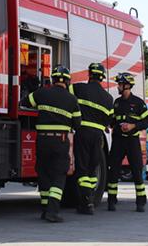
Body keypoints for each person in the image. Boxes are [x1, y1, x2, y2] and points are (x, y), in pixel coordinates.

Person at [21, 65, 80, 223]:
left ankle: (45, 210)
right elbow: (77, 124)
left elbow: (25, 102)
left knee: (44, 174)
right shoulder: (72, 99)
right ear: (67, 81)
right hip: (60, 140)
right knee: (59, 175)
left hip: (42, 140)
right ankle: (52, 212)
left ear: (53, 79)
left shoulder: (42, 93)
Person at [70, 63, 113, 215]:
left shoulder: (78, 88)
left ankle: (85, 202)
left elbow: (63, 94)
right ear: (102, 77)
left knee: (81, 167)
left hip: (82, 132)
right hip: (98, 136)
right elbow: (110, 120)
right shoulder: (108, 98)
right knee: (92, 168)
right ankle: (91, 199)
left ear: (89, 74)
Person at [106, 72, 148, 213]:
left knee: (137, 170)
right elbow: (113, 120)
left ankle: (140, 202)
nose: (117, 86)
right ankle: (111, 201)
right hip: (118, 141)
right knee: (113, 170)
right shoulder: (117, 102)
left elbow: (147, 121)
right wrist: (109, 125)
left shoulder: (138, 103)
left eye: (120, 84)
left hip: (132, 141)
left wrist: (132, 126)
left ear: (126, 85)